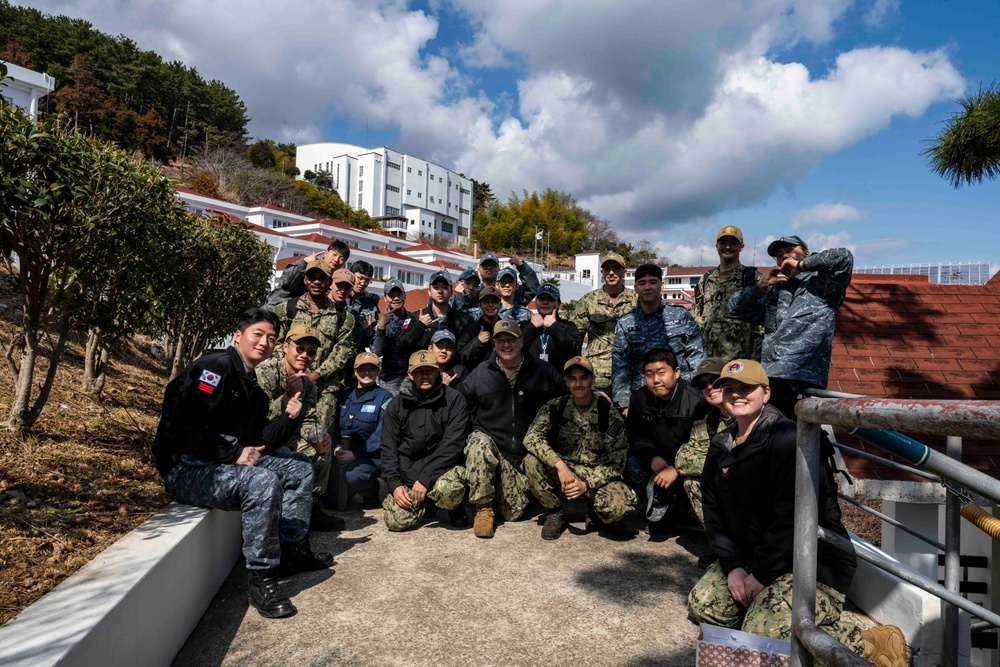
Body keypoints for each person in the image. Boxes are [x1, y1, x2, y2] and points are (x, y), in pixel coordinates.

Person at [687, 359, 906, 665]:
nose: (737, 395)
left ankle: (867, 643)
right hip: (753, 558)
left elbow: (794, 518)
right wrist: (734, 565)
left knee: (763, 631)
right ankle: (765, 623)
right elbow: (712, 509)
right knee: (705, 606)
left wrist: (760, 575)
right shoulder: (722, 443)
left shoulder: (790, 439)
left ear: (766, 393)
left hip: (812, 566)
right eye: (729, 389)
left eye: (746, 388)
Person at [151, 308, 333, 619]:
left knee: (299, 466)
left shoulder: (253, 392)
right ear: (239, 336)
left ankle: (292, 550)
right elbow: (185, 423)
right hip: (185, 469)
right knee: (261, 482)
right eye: (257, 334)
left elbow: (261, 440)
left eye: (271, 338)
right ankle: (262, 580)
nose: (264, 342)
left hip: (218, 466)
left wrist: (290, 416)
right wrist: (233, 453)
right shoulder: (215, 367)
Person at [457, 319, 567, 538]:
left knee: (513, 513)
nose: (506, 345)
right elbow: (461, 401)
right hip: (495, 447)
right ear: (494, 345)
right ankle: (483, 508)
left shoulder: (542, 371)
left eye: (511, 340)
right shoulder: (481, 373)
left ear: (521, 341)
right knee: (477, 444)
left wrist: (595, 395)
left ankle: (513, 486)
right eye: (500, 341)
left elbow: (567, 396)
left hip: (527, 451)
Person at [727, 236, 853, 419]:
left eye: (790, 251)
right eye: (779, 255)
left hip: (802, 380)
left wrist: (801, 265)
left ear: (807, 254)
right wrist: (760, 286)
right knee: (767, 434)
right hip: (770, 378)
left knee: (794, 436)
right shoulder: (774, 291)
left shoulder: (823, 285)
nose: (784, 257)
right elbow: (735, 309)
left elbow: (843, 257)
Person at [523, 356, 636, 540]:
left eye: (583, 378)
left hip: (597, 473)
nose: (578, 384)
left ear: (593, 379)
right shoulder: (555, 407)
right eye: (573, 379)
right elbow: (532, 438)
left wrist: (587, 484)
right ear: (566, 381)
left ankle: (596, 511)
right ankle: (555, 512)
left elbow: (617, 460)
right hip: (565, 472)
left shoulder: (608, 414)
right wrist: (560, 466)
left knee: (617, 507)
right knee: (531, 461)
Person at [255, 325, 344, 531]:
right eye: (300, 348)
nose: (305, 355)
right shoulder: (266, 373)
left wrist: (318, 435)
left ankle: (312, 504)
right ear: (286, 347)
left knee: (321, 445)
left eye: (311, 352)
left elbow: (308, 418)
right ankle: (290, 511)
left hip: (288, 432)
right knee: (299, 456)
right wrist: (287, 397)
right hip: (263, 437)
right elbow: (259, 416)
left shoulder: (309, 385)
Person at [380, 350, 471, 531]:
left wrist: (425, 478)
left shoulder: (454, 399)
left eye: (429, 370)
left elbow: (453, 445)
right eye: (419, 371)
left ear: (437, 371)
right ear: (410, 374)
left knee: (449, 490)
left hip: (442, 471)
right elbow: (388, 447)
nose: (425, 376)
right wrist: (394, 484)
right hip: (409, 474)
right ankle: (428, 504)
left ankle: (452, 506)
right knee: (395, 522)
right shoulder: (396, 405)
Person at [624, 348, 708, 533]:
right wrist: (651, 457)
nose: (656, 380)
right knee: (628, 463)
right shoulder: (639, 398)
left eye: (662, 373)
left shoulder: (696, 402)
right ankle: (664, 506)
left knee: (695, 481)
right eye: (649, 374)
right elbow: (635, 435)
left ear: (676, 372)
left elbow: (703, 449)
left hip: (686, 464)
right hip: (657, 462)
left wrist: (676, 468)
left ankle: (685, 508)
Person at [273, 261, 355, 431]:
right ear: (305, 280)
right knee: (283, 433)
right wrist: (289, 374)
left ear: (329, 282)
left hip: (323, 389)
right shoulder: (286, 309)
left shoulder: (343, 317)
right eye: (312, 277)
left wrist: (316, 375)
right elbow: (277, 344)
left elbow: (341, 352)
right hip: (288, 383)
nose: (317, 282)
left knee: (320, 439)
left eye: (322, 278)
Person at [612, 264, 706, 410]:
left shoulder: (681, 316)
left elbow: (696, 355)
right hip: (643, 398)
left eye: (653, 282)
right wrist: (624, 405)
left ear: (661, 285)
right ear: (635, 288)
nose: (647, 287)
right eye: (642, 283)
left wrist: (696, 393)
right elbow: (620, 367)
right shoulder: (625, 323)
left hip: (681, 396)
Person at [672, 357, 735, 528]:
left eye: (715, 381)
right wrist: (720, 465)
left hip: (750, 489)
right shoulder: (709, 421)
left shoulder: (746, 415)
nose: (709, 387)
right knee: (691, 483)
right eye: (702, 384)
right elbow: (682, 459)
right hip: (724, 482)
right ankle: (721, 543)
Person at [690, 225, 764, 361]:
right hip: (708, 359)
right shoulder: (706, 279)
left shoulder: (752, 278)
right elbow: (696, 315)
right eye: (723, 243)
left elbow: (761, 325)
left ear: (741, 246)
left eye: (733, 243)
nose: (728, 247)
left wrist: (755, 361)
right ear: (716, 246)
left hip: (739, 361)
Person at [573, 252, 638, 393]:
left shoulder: (636, 300)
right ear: (602, 273)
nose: (611, 273)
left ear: (624, 272)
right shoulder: (588, 300)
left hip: (629, 372)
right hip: (597, 373)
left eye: (616, 268)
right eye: (607, 269)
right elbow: (575, 337)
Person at [335, 352, 394, 508]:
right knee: (331, 500)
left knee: (355, 476)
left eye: (372, 369)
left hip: (372, 455)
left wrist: (355, 455)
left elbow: (381, 434)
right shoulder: (345, 395)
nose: (367, 373)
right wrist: (336, 446)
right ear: (355, 372)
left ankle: (371, 492)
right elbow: (335, 426)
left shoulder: (385, 398)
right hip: (345, 454)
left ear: (378, 372)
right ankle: (350, 490)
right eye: (362, 369)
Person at [264, 240, 351, 310]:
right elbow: (286, 282)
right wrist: (303, 262)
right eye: (334, 254)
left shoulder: (333, 277)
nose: (336, 260)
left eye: (341, 258)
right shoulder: (309, 265)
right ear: (326, 252)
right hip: (276, 309)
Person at [397, 270, 467, 354]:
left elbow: (463, 352)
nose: (440, 291)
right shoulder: (416, 317)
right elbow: (401, 345)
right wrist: (420, 326)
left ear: (451, 292)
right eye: (436, 287)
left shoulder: (460, 320)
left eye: (445, 287)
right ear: (429, 291)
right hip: (422, 365)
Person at [520, 282, 583, 374]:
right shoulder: (526, 325)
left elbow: (574, 351)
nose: (545, 302)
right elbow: (516, 348)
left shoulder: (568, 326)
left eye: (550, 299)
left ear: (558, 303)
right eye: (541, 299)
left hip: (559, 383)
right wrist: (532, 327)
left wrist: (554, 326)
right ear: (536, 301)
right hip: (531, 382)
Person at [372, 278, 412, 394]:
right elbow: (377, 352)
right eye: (391, 295)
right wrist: (382, 326)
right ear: (385, 298)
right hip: (390, 378)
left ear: (405, 295)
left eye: (399, 294)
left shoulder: (413, 318)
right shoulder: (382, 323)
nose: (396, 298)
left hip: (410, 376)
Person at [458, 285, 502, 369]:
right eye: (486, 302)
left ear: (500, 304)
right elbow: (461, 358)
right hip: (476, 378)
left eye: (494, 301)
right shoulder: (471, 329)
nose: (490, 305)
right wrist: (477, 341)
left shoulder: (505, 328)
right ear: (480, 305)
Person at [346, 260, 380, 352]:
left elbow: (373, 339)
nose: (363, 283)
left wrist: (368, 332)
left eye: (367, 280)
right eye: (360, 278)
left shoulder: (371, 304)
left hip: (358, 355)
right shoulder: (340, 297)